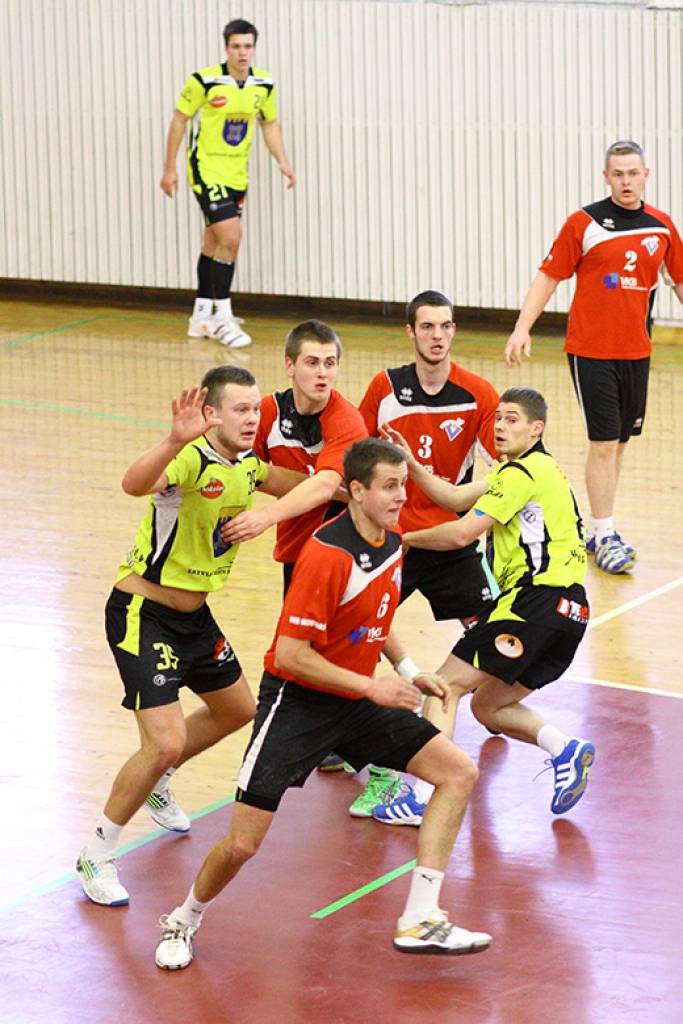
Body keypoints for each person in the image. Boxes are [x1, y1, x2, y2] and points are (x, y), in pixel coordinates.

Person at [154, 438, 492, 970]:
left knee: (457, 772)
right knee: (242, 845)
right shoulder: (326, 555)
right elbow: (291, 654)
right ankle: (183, 918)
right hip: (297, 705)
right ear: (355, 491)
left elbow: (375, 615)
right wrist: (373, 688)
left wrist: (409, 671)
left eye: (403, 485)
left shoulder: (391, 541)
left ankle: (421, 916)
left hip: (354, 701)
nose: (402, 497)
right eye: (390, 487)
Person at [76, 367, 306, 907]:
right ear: (210, 414)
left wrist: (359, 484)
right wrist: (171, 440)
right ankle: (97, 852)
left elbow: (299, 486)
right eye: (240, 409)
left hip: (195, 620)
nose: (252, 419)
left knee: (238, 709)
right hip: (143, 613)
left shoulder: (248, 466)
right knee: (164, 742)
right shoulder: (190, 458)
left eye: (256, 409)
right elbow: (133, 484)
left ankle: (158, 780)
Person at [389, 387, 595, 819]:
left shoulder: (519, 475)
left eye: (512, 419)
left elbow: (462, 533)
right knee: (488, 705)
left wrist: (403, 540)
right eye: (498, 418)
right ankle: (565, 748)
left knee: (443, 686)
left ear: (536, 429)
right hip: (571, 613)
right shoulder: (533, 470)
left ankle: (422, 798)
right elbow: (453, 499)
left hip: (533, 602)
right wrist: (413, 465)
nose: (500, 426)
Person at [349, 290, 500, 821]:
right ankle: (371, 757)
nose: (437, 336)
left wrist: (474, 506)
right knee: (358, 636)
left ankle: (494, 708)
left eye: (446, 326)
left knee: (494, 632)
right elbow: (358, 458)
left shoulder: (478, 394)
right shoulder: (385, 389)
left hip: (450, 540)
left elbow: (506, 468)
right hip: (393, 540)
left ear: (454, 331)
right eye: (427, 327)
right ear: (410, 333)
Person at [504, 140, 683, 574]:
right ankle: (603, 534)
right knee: (603, 444)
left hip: (637, 351)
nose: (626, 181)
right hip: (591, 352)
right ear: (606, 177)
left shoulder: (662, 227)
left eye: (633, 173)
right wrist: (522, 327)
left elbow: (679, 281)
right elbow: (549, 276)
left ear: (646, 174)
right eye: (617, 174)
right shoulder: (584, 223)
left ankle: (601, 527)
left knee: (618, 445)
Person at [160, 18, 296, 349]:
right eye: (236, 46)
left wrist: (282, 161)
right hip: (206, 170)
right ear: (226, 48)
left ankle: (201, 315)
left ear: (254, 48)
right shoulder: (204, 80)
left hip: (237, 174)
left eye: (248, 46)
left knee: (213, 241)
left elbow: (269, 124)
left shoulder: (263, 84)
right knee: (231, 239)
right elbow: (179, 119)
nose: (242, 52)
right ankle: (222, 317)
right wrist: (169, 168)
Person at [220, 319, 368, 592]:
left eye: (330, 363)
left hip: (346, 548)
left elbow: (324, 486)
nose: (322, 373)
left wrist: (266, 516)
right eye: (312, 363)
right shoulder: (269, 412)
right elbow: (238, 465)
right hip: (297, 543)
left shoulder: (346, 421)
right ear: (290, 366)